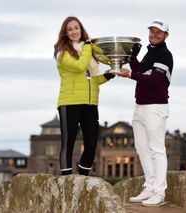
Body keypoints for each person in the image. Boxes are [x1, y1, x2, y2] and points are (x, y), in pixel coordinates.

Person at [118, 19, 173, 207]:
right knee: (142, 149)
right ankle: (149, 187)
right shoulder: (151, 53)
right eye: (152, 31)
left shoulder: (165, 55)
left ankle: (159, 192)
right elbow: (141, 72)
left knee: (157, 150)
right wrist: (132, 58)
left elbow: (155, 81)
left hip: (155, 107)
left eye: (159, 32)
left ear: (166, 35)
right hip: (140, 106)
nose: (155, 34)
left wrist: (130, 74)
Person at [54, 16, 114, 176]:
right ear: (65, 33)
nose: (74, 31)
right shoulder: (62, 53)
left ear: (81, 29)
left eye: (76, 28)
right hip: (69, 102)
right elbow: (81, 67)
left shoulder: (89, 51)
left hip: (90, 103)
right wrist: (88, 46)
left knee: (91, 144)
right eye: (70, 29)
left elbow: (91, 81)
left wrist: (108, 75)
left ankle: (82, 179)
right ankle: (67, 181)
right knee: (69, 143)